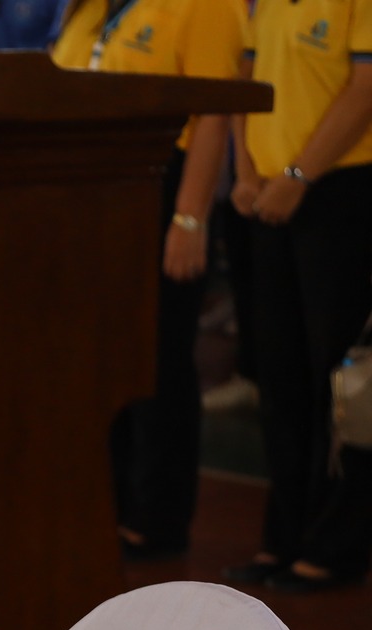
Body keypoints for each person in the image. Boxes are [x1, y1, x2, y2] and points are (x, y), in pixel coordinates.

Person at [51, 0, 242, 561]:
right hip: (88, 188)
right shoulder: (85, 9)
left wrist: (190, 216)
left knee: (155, 355)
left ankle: (156, 515)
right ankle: (104, 501)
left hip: (158, 184)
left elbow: (214, 109)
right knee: (96, 359)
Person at [231, 0, 372, 589]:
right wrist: (245, 169)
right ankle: (284, 537)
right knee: (279, 376)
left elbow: (366, 87)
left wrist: (298, 177)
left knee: (336, 382)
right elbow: (246, 75)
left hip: (339, 190)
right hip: (264, 194)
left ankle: (335, 545)